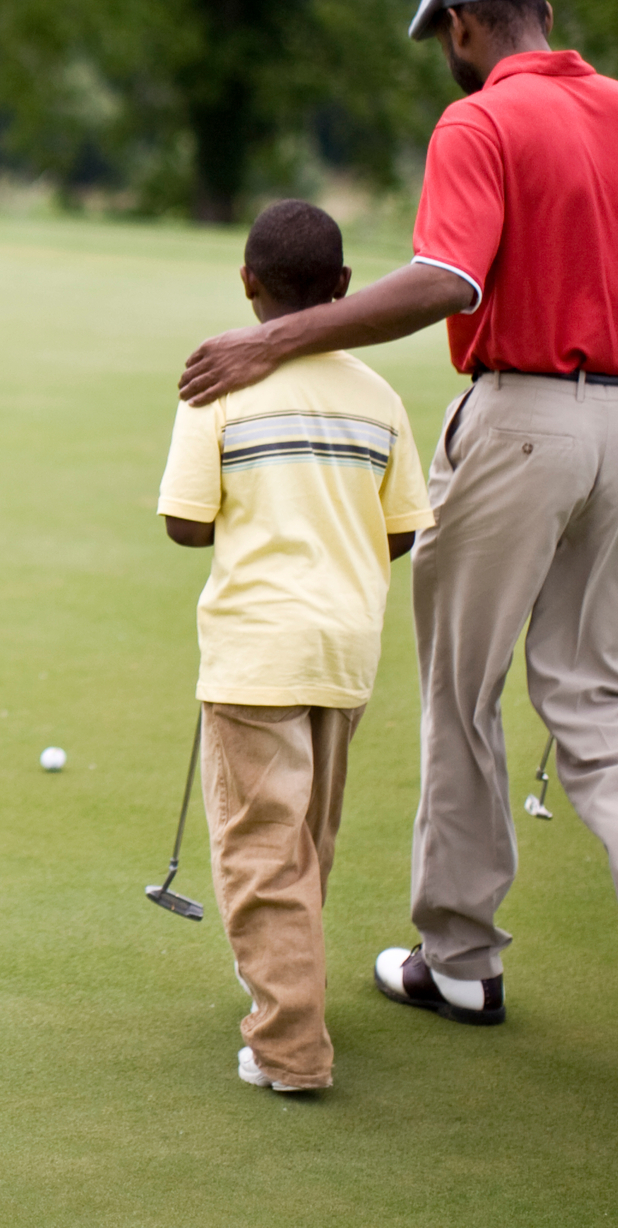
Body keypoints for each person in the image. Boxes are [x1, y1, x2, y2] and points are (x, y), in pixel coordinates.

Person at [175, 0, 618, 1080]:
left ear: (464, 25)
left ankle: (459, 955)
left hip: (524, 417)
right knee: (596, 689)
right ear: (544, 7)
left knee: (463, 686)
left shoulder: (481, 120)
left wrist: (272, 337)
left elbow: (450, 280)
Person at [157, 199, 434, 1093]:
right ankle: (291, 990)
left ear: (247, 283)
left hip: (255, 651)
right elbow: (402, 532)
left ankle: (289, 1047)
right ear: (343, 289)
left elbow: (185, 525)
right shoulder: (380, 397)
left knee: (260, 847)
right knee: (306, 839)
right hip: (344, 651)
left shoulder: (218, 384)